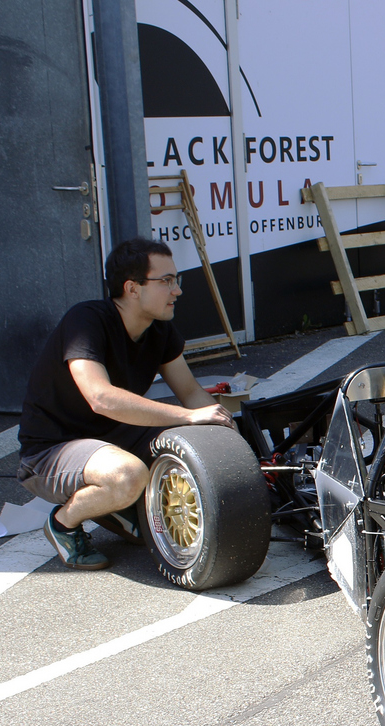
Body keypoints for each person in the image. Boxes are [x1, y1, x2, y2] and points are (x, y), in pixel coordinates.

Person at [16, 237, 235, 570]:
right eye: (166, 281)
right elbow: (101, 397)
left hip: (113, 438)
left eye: (177, 280)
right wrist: (189, 417)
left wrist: (227, 438)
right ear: (132, 288)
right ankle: (63, 523)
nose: (177, 290)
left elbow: (191, 393)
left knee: (146, 524)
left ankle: (115, 507)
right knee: (127, 477)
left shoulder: (159, 330)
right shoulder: (86, 321)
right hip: (52, 450)